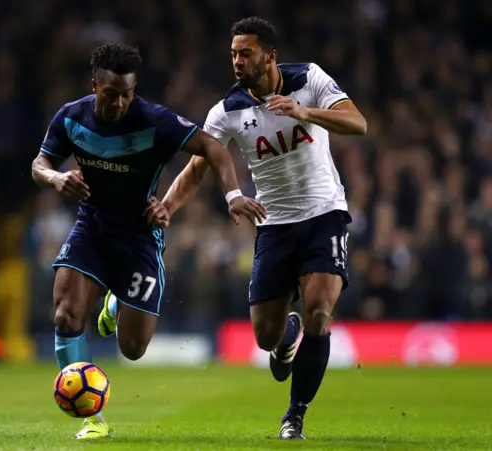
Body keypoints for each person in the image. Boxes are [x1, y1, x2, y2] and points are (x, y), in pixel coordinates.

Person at [141, 17, 367, 440]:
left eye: (245, 52)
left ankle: (294, 416)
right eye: (233, 54)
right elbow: (196, 169)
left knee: (320, 311)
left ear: (270, 56)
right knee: (265, 336)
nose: (237, 61)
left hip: (324, 214)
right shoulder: (227, 111)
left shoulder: (310, 79)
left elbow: (358, 123)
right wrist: (168, 207)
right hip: (274, 224)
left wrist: (304, 111)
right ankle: (287, 337)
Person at [31, 43, 265, 440]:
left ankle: (115, 299)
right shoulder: (71, 117)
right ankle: (93, 418)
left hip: (140, 235)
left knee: (134, 348)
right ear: (95, 86)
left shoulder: (153, 120)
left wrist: (232, 194)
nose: (121, 102)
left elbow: (211, 147)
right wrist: (57, 178)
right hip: (92, 227)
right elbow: (40, 164)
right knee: (66, 315)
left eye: (127, 93)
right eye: (111, 93)